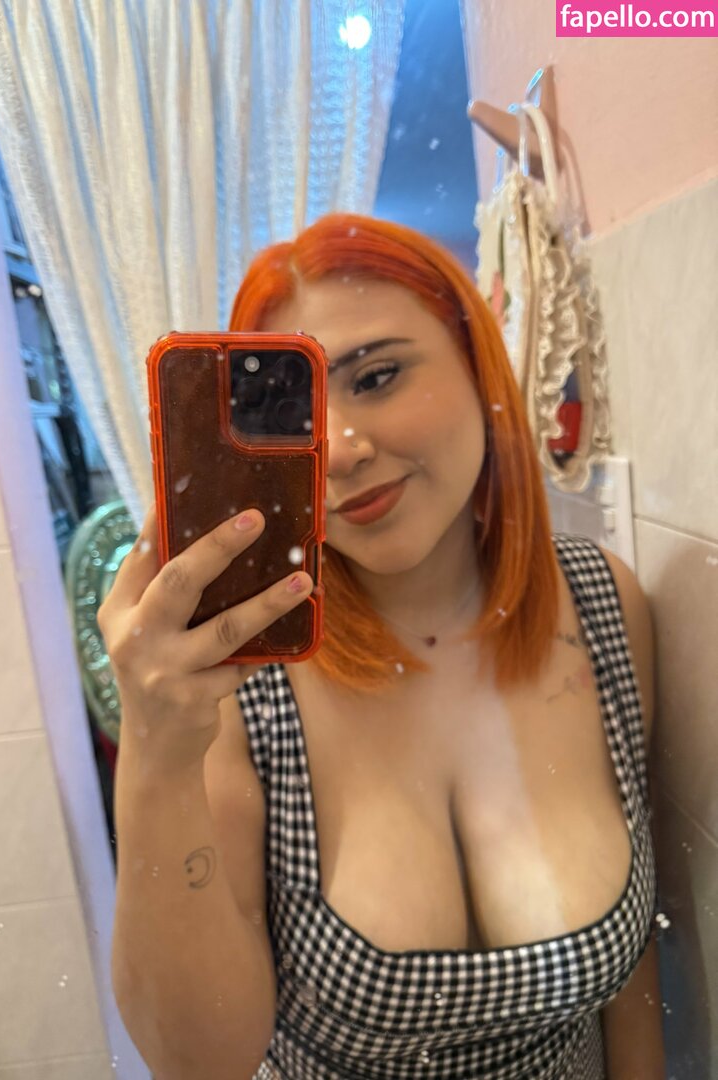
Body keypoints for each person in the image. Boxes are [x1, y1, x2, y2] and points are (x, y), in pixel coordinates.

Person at [103, 214, 665, 1079]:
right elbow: (198, 1063)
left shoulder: (602, 606)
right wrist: (155, 751)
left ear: (479, 364)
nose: (340, 450)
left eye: (377, 376)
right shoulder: (241, 681)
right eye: (293, 411)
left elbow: (634, 977)